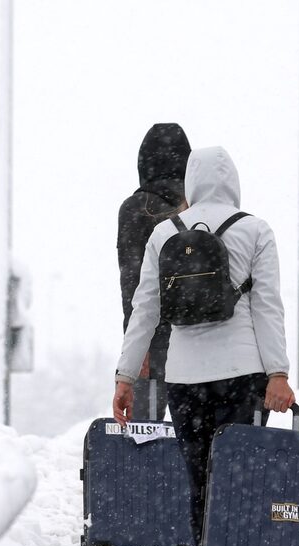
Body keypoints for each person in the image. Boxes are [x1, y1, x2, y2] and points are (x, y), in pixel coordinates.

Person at [113, 146, 295, 546]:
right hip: (243, 376)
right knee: (240, 478)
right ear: (234, 181)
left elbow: (145, 309)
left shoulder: (164, 232)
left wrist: (125, 377)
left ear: (191, 182)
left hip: (184, 379)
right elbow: (267, 307)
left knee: (199, 477)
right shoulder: (255, 230)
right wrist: (277, 374)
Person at [117, 124, 192, 421]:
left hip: (154, 338)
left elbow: (132, 283)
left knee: (144, 440)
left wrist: (136, 348)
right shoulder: (196, 206)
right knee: (194, 441)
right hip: (200, 339)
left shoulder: (137, 208)